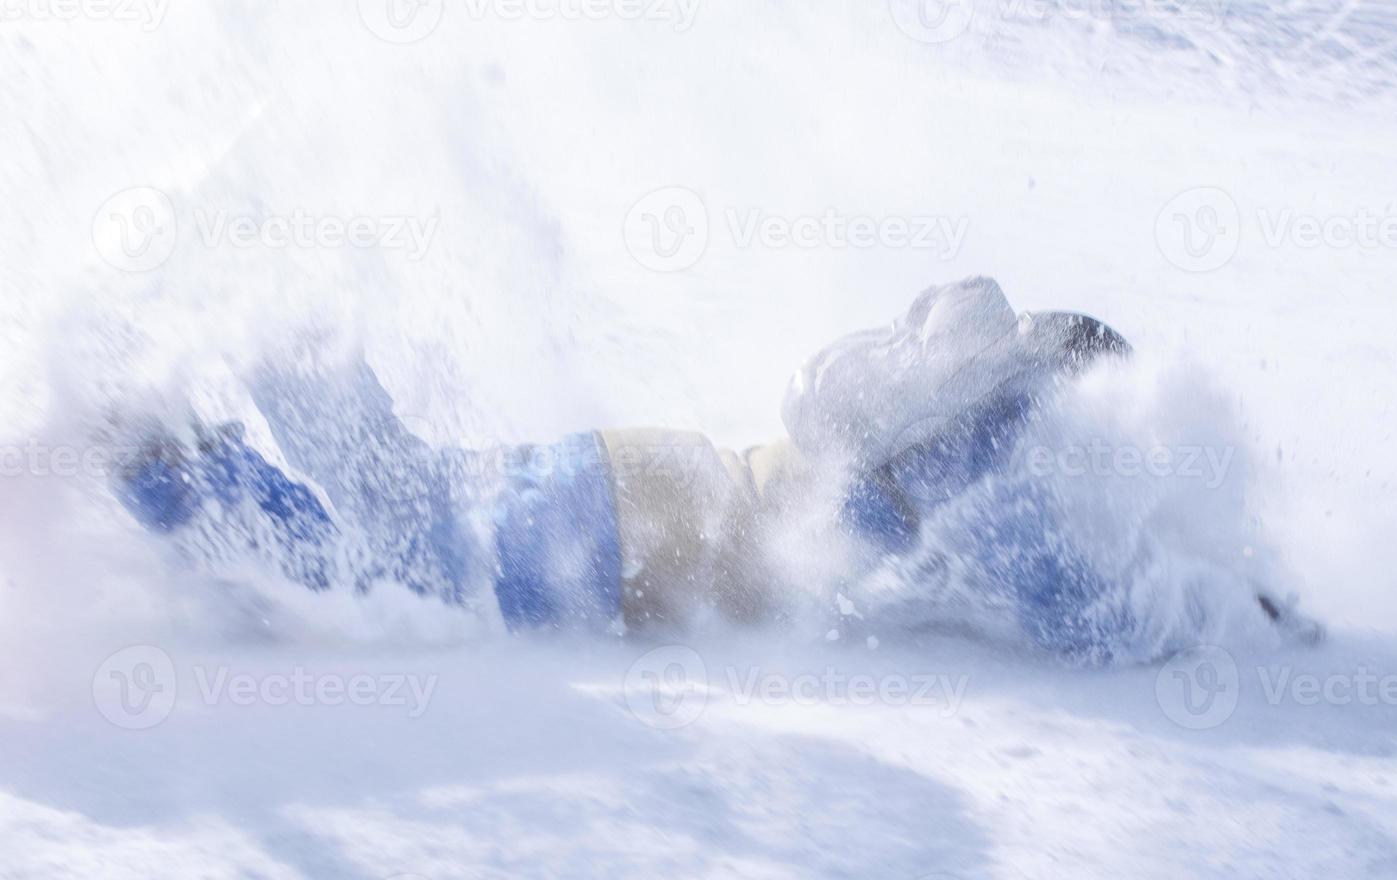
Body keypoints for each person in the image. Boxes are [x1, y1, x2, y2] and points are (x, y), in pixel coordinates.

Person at [111, 276, 1311, 661]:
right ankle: (231, 358)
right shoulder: (891, 506)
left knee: (382, 527)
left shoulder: (886, 503)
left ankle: (235, 358)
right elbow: (974, 481)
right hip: (627, 525)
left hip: (625, 494)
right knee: (386, 543)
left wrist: (1243, 599)